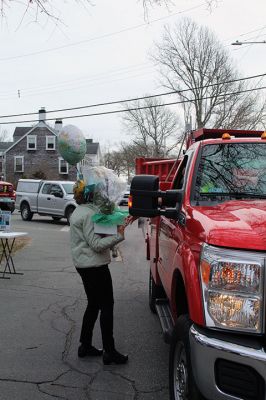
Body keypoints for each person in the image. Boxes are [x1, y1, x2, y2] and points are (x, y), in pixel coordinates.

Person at [70, 180, 128, 365]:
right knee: (106, 305)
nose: (100, 195)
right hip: (94, 267)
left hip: (84, 265)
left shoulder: (80, 211)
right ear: (89, 195)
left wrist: (118, 220)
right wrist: (118, 235)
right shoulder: (88, 214)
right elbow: (95, 244)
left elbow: (97, 233)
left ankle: (85, 345)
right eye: (96, 192)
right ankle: (109, 351)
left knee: (93, 304)